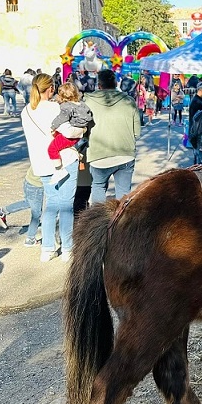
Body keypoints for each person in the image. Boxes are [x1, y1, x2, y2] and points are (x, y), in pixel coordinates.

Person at [21, 73, 78, 262]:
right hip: (64, 160)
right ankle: (67, 248)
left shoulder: (26, 111)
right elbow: (69, 131)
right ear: (51, 88)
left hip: (41, 163)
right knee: (66, 205)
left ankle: (47, 248)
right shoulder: (55, 108)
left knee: (51, 203)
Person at [84, 69, 141, 203]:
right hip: (125, 154)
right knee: (123, 194)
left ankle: (98, 222)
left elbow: (83, 129)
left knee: (98, 187)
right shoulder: (129, 101)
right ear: (116, 83)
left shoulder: (88, 102)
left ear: (99, 85)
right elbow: (137, 132)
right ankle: (121, 223)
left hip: (98, 155)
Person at [49, 82, 92, 187]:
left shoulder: (66, 107)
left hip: (70, 136)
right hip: (79, 133)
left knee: (52, 149)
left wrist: (52, 126)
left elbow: (61, 119)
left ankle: (59, 170)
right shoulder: (82, 105)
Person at [0, 165, 44, 247]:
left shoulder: (40, 152)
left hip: (29, 181)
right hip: (37, 186)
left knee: (28, 202)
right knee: (36, 213)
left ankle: (2, 211)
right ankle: (30, 239)